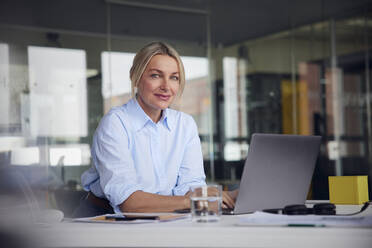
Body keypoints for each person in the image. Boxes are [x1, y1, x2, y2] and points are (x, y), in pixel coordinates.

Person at [73, 41, 236, 217]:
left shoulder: (185, 125)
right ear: (135, 77)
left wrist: (226, 198)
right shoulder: (116, 123)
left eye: (174, 77)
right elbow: (129, 203)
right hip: (103, 217)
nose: (166, 86)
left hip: (163, 215)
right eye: (156, 76)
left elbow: (191, 186)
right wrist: (192, 201)